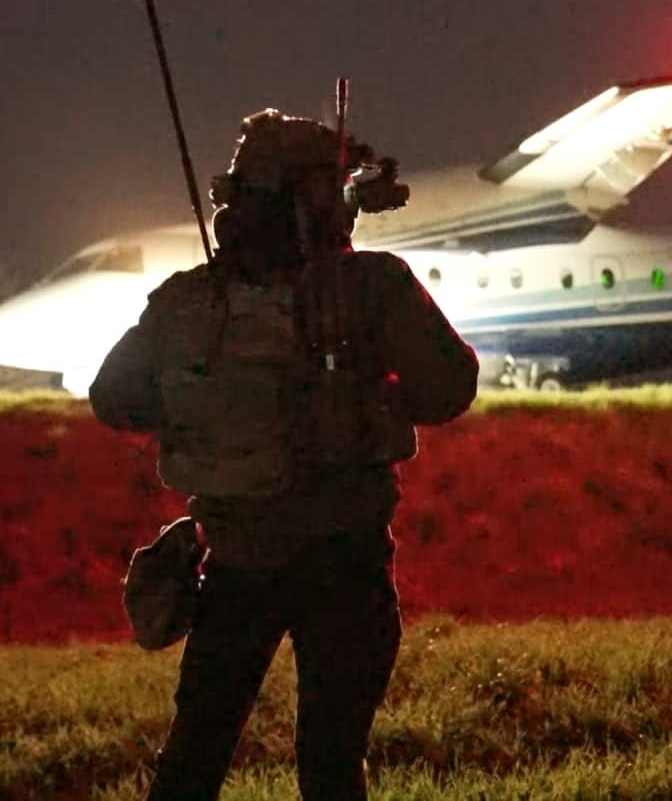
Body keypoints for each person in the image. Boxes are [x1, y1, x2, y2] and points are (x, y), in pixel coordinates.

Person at [90, 109, 479, 800]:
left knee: (195, 753)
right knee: (332, 763)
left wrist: (203, 405)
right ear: (316, 199)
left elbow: (114, 397)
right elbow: (449, 387)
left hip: (235, 565)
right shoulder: (375, 286)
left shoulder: (187, 300)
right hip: (346, 562)